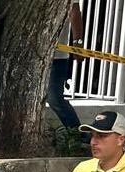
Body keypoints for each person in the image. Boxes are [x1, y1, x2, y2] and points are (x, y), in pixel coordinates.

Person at [47, 1, 85, 131]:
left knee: (54, 99)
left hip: (56, 56)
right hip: (26, 55)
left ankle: (78, 135)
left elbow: (74, 11)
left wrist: (78, 43)